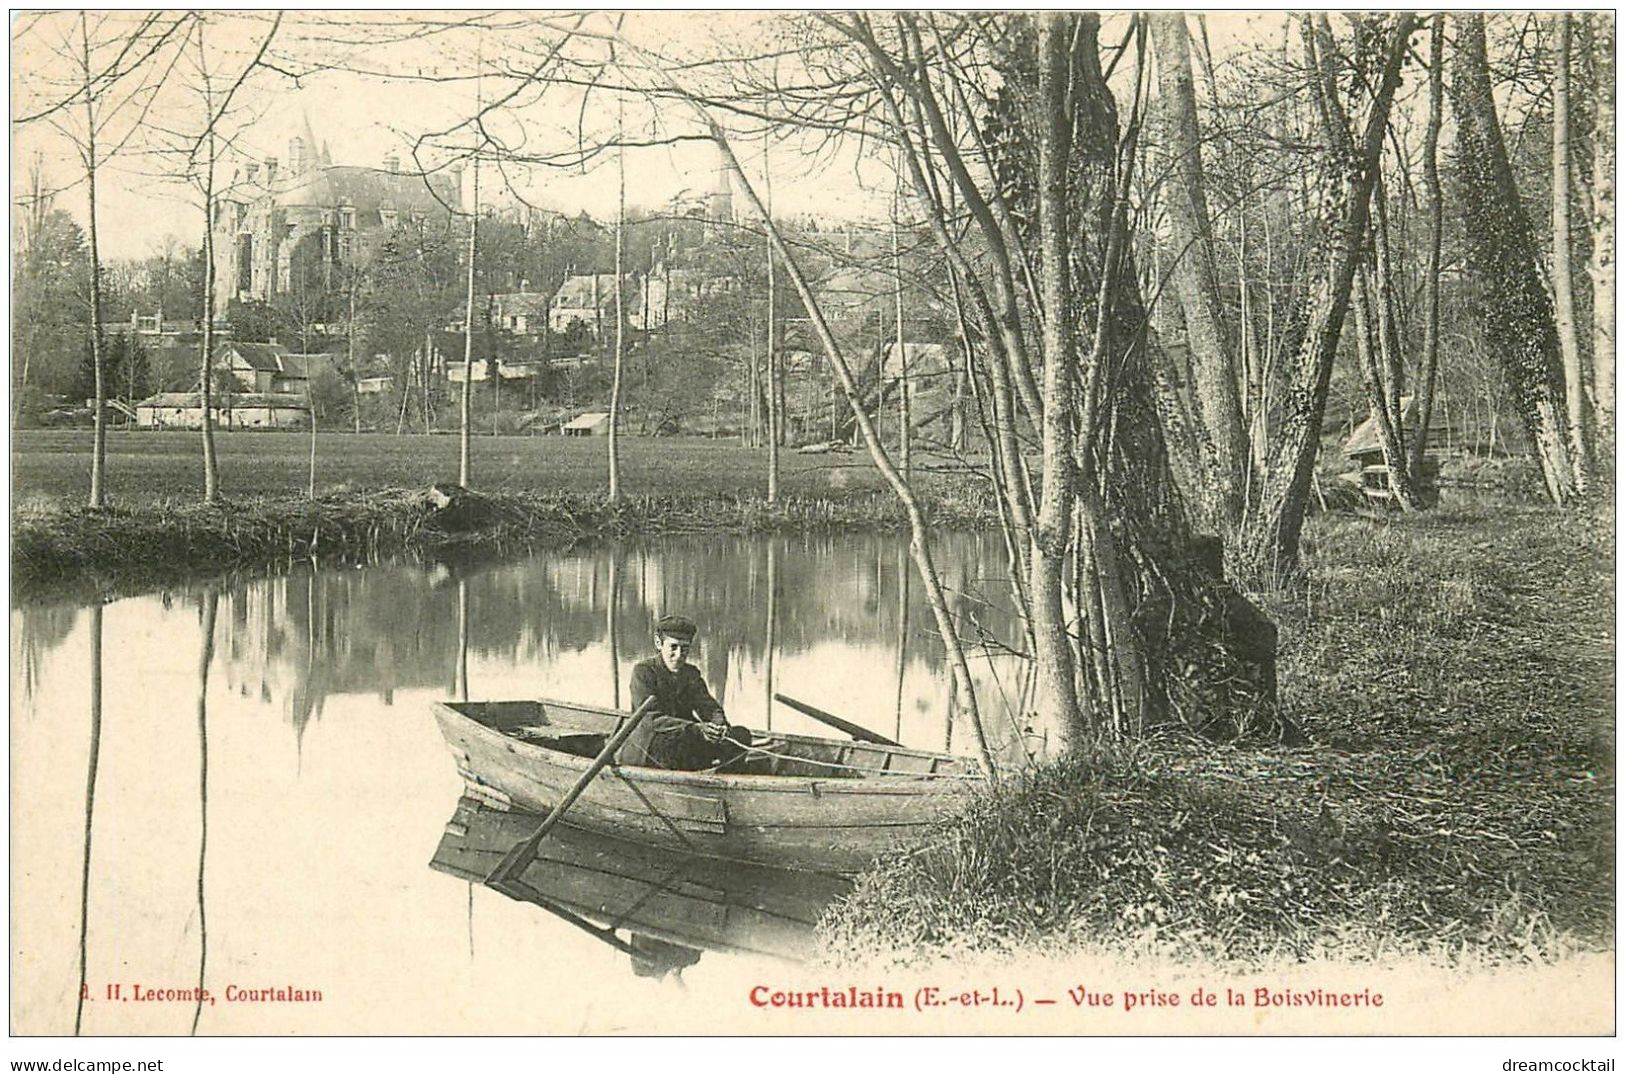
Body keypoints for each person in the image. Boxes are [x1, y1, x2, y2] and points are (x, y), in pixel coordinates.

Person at [620, 614, 752, 770]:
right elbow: (651, 720)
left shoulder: (691, 674)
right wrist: (695, 729)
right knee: (679, 746)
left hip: (687, 737)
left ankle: (724, 782)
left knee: (741, 735)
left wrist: (719, 725)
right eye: (673, 647)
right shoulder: (643, 672)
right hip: (651, 744)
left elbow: (711, 708)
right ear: (658, 643)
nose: (679, 654)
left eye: (685, 648)